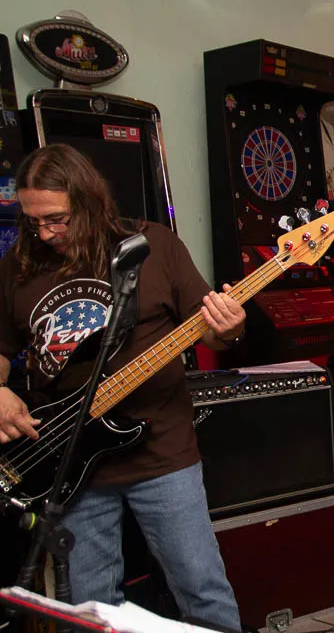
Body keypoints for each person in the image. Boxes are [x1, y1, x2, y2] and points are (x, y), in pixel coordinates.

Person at [0, 144, 244, 632]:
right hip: (66, 458)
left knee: (201, 591)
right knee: (92, 608)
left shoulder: (153, 247)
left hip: (162, 455)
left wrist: (229, 327)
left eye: (56, 220)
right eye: (33, 221)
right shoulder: (18, 265)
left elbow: (213, 332)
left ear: (88, 202)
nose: (44, 233)